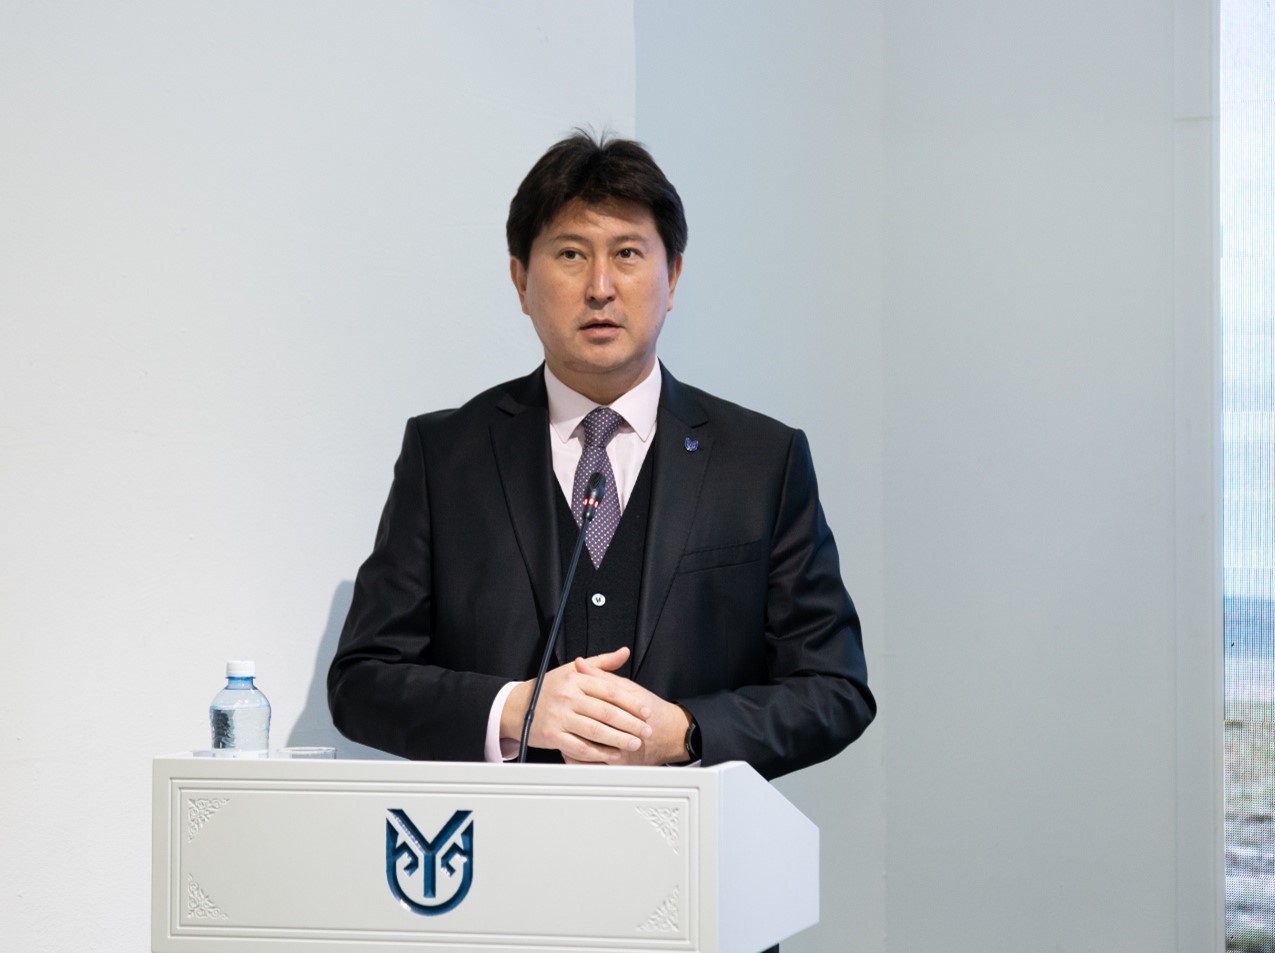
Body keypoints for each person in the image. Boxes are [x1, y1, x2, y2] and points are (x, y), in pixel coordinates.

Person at [328, 132, 874, 781]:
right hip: (501, 836)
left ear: (671, 277)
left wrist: (686, 732)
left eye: (627, 254)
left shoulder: (760, 461)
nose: (600, 287)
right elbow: (362, 680)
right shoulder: (446, 456)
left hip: (690, 835)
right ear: (520, 280)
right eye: (570, 254)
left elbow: (833, 688)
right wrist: (513, 709)